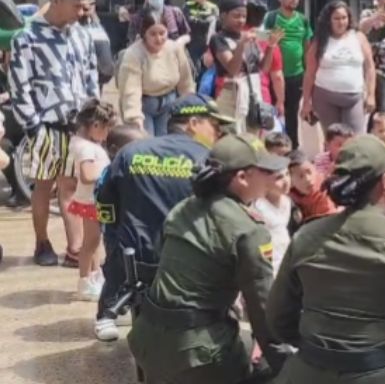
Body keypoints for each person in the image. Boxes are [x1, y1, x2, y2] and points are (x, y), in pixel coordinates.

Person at [268, 135, 385, 384]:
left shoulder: (307, 235)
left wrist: (319, 352)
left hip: (307, 370)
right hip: (377, 372)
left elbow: (278, 317)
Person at [127, 134, 289, 383]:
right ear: (242, 178)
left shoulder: (182, 209)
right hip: (198, 354)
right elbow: (262, 310)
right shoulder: (248, 230)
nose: (269, 180)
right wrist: (285, 366)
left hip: (148, 340)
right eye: (264, 172)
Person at [94, 94, 232, 341]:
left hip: (135, 262)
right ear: (193, 123)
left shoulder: (130, 153)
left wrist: (115, 242)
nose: (218, 133)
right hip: (190, 264)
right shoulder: (210, 159)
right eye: (214, 125)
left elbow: (105, 202)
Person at [9, 0, 99, 266]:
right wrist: (32, 125)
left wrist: (93, 116)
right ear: (56, 1)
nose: (81, 13)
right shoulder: (26, 38)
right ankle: (42, 242)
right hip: (44, 124)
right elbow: (19, 84)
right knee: (44, 186)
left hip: (76, 124)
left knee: (71, 185)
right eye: (76, 6)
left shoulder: (81, 35)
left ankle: (74, 248)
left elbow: (90, 75)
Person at [117, 8, 196, 136]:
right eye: (153, 34)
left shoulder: (174, 48)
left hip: (170, 105)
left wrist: (189, 107)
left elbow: (186, 82)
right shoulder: (133, 54)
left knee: (166, 145)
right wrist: (134, 117)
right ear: (144, 34)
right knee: (148, 145)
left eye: (162, 33)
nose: (158, 38)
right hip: (144, 107)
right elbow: (131, 90)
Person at [67, 99, 116, 301]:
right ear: (95, 126)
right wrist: (110, 171)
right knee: (91, 243)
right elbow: (87, 175)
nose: (107, 136)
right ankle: (84, 281)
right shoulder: (87, 148)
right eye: (106, 130)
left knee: (95, 242)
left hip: (92, 200)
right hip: (90, 201)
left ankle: (95, 276)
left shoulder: (85, 143)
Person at [302, 1, 375, 136]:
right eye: (336, 18)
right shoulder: (320, 41)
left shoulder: (359, 37)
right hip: (325, 96)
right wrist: (306, 102)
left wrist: (371, 95)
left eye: (344, 18)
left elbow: (370, 68)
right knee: (332, 138)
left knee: (354, 137)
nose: (341, 22)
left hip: (354, 97)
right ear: (329, 20)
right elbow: (310, 73)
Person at [210, 0, 280, 135]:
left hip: (253, 94)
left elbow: (263, 68)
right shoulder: (218, 39)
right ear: (223, 16)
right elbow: (233, 70)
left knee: (253, 136)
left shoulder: (250, 37)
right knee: (230, 136)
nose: (241, 20)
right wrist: (241, 44)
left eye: (243, 16)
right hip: (231, 94)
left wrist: (271, 46)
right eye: (236, 16)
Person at [263, 0, 313, 148]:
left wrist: (308, 73)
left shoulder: (303, 20)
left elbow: (307, 48)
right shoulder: (271, 18)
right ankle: (271, 147)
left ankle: (292, 148)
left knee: (292, 114)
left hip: (296, 75)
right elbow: (264, 43)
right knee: (272, 112)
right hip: (274, 75)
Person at [79, 0, 115, 88]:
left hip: (99, 75)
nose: (89, 6)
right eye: (86, 4)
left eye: (92, 3)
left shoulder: (97, 24)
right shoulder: (73, 26)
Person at [183, 0, 219, 69]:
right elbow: (186, 19)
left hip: (207, 40)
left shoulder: (213, 7)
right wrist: (203, 21)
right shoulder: (188, 5)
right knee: (193, 64)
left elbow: (214, 23)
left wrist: (196, 20)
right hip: (193, 39)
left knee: (207, 64)